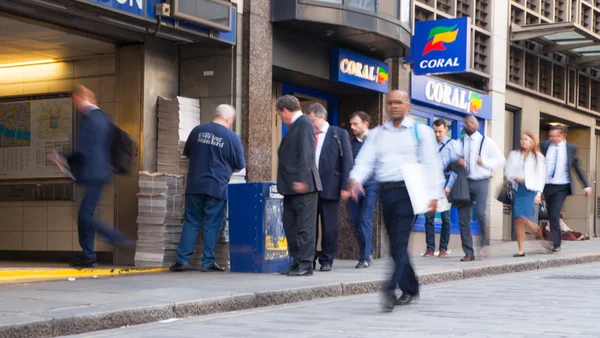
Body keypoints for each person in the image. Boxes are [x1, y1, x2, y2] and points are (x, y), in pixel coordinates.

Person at [349, 90, 445, 312]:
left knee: (399, 243)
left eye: (398, 102)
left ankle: (389, 290)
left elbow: (431, 163)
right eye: (390, 102)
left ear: (408, 106)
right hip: (386, 192)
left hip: (408, 192)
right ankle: (411, 287)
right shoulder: (378, 133)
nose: (393, 106)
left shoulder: (420, 131)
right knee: (396, 247)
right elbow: (365, 160)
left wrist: (435, 195)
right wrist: (355, 179)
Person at [49, 84, 132, 267]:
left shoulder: (88, 119)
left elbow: (83, 150)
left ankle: (114, 237)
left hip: (92, 173)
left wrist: (62, 158)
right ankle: (88, 255)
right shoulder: (104, 118)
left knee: (84, 214)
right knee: (84, 214)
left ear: (78, 97)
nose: (74, 104)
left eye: (74, 100)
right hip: (102, 172)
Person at [170, 104, 245, 272]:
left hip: (195, 184)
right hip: (216, 186)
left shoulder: (197, 131)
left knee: (191, 222)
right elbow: (240, 165)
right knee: (212, 224)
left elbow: (187, 154)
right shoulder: (231, 137)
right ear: (228, 119)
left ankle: (182, 259)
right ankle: (207, 262)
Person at [276, 95, 322, 277]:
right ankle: (296, 261)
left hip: (303, 186)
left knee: (304, 227)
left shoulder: (303, 124)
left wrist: (301, 179)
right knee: (290, 225)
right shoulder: (296, 125)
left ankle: (305, 264)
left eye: (280, 115)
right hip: (290, 187)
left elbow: (306, 153)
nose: (281, 118)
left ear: (286, 110)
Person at [304, 103, 353, 272]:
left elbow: (347, 160)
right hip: (310, 187)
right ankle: (308, 259)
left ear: (322, 117)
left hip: (330, 186)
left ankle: (327, 259)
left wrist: (345, 185)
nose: (311, 124)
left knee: (329, 226)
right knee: (309, 226)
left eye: (312, 121)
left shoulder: (338, 134)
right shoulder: (308, 135)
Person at [456, 115, 505, 261]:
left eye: (472, 122)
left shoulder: (486, 141)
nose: (469, 125)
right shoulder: (461, 142)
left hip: (481, 181)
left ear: (477, 125)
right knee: (463, 217)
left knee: (481, 214)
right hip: (465, 182)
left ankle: (484, 244)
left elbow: (501, 161)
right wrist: (459, 162)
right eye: (466, 123)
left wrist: (484, 161)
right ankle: (468, 252)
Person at [540, 124, 592, 253]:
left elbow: (577, 168)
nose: (553, 138)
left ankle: (556, 243)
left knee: (554, 213)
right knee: (550, 213)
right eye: (551, 136)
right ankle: (551, 235)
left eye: (556, 136)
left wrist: (586, 185)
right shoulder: (544, 146)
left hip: (561, 186)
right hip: (546, 185)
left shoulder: (570, 149)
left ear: (563, 136)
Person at [505, 132, 547, 257]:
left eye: (526, 139)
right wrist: (514, 177)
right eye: (522, 139)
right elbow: (508, 171)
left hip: (530, 190)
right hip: (518, 189)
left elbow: (541, 177)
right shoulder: (514, 155)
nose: (523, 142)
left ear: (532, 142)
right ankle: (521, 248)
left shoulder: (538, 157)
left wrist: (539, 194)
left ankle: (535, 228)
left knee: (521, 215)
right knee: (518, 219)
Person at [423, 118, 461, 258]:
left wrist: (449, 186)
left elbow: (456, 168)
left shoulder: (453, 145)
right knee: (429, 217)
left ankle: (443, 248)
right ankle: (430, 249)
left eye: (440, 131)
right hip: (431, 182)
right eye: (435, 131)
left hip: (445, 181)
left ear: (446, 129)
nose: (437, 134)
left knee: (445, 218)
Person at [348, 111, 379, 268]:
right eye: (351, 124)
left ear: (366, 123)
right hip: (354, 187)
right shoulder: (350, 143)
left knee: (365, 219)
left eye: (355, 124)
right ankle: (369, 249)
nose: (352, 127)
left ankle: (364, 257)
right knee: (355, 220)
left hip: (372, 186)